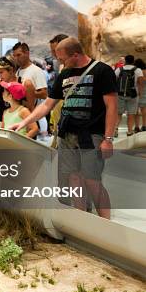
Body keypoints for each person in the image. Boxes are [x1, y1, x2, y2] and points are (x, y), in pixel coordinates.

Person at [9, 37, 117, 219]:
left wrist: (108, 139)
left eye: (62, 59)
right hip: (67, 134)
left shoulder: (101, 71)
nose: (60, 62)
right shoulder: (65, 75)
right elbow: (46, 105)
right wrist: (23, 122)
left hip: (91, 135)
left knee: (92, 180)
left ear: (75, 54)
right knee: (73, 178)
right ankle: (81, 218)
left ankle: (106, 222)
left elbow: (112, 106)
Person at [12, 42, 48, 137]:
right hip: (20, 114)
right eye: (14, 56)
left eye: (19, 55)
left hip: (31, 114)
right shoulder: (18, 71)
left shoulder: (36, 71)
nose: (16, 58)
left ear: (27, 53)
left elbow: (44, 94)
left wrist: (28, 92)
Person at [115, 54, 144, 137]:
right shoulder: (137, 70)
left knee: (119, 113)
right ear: (133, 61)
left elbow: (114, 80)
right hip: (133, 95)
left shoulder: (119, 69)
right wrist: (140, 92)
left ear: (125, 61)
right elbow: (141, 82)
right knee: (131, 114)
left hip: (120, 94)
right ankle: (130, 131)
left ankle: (115, 129)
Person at [135, 58, 146, 132]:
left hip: (136, 91)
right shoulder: (145, 71)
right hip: (145, 91)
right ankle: (144, 126)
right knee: (144, 110)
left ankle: (136, 126)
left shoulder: (136, 71)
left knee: (136, 110)